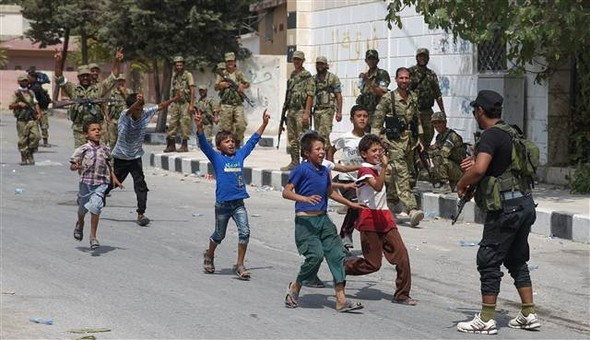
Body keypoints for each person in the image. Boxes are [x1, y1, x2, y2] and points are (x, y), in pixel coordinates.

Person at [456, 90, 540, 334]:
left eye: (474, 110)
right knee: (516, 258)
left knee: (489, 258)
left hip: (506, 209)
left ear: (480, 111)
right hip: (524, 203)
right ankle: (528, 313)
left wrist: (462, 183)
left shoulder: (491, 136)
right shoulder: (511, 132)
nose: (474, 114)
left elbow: (480, 169)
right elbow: (499, 166)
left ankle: (486, 319)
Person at [282, 131, 364, 312]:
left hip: (323, 221)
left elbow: (329, 192)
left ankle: (341, 299)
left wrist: (350, 203)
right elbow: (286, 192)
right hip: (305, 222)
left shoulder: (325, 171)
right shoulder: (301, 170)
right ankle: (295, 288)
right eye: (317, 149)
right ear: (307, 153)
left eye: (322, 149)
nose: (321, 152)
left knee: (337, 256)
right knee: (315, 256)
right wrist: (304, 199)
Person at [197, 109, 270, 280]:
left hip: (238, 203)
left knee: (245, 232)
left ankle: (239, 264)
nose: (230, 144)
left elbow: (252, 142)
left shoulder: (239, 156)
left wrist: (264, 124)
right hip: (223, 205)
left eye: (232, 141)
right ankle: (209, 254)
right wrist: (199, 126)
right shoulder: (216, 158)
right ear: (219, 146)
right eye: (226, 141)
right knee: (219, 235)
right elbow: (203, 144)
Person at [345, 134, 416, 306]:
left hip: (384, 217)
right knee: (372, 264)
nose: (378, 153)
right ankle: (341, 268)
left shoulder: (376, 168)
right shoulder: (364, 170)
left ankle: (402, 294)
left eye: (379, 150)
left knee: (402, 256)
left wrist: (384, 166)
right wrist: (384, 167)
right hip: (369, 219)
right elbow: (376, 186)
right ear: (363, 154)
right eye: (373, 150)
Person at [107, 92, 180, 227]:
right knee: (115, 183)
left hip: (135, 157)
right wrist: (136, 103)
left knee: (140, 185)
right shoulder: (125, 115)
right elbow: (130, 111)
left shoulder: (145, 112)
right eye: (137, 109)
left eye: (141, 109)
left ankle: (141, 214)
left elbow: (161, 106)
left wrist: (174, 98)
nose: (139, 112)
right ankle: (99, 195)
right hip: (121, 157)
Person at [373, 67, 425, 227]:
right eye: (401, 78)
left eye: (406, 78)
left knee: (403, 175)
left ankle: (389, 203)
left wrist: (420, 139)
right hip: (394, 142)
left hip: (410, 142)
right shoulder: (389, 98)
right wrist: (377, 142)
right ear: (396, 79)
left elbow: (417, 119)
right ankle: (411, 209)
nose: (404, 81)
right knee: (402, 175)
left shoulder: (414, 97)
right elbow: (377, 121)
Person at [54, 49, 123, 148]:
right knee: (80, 156)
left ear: (91, 77)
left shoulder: (98, 88)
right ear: (79, 77)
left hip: (96, 129)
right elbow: (59, 78)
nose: (85, 78)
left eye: (87, 75)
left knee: (99, 155)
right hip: (80, 129)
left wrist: (117, 61)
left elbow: (113, 78)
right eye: (82, 76)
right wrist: (58, 62)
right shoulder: (73, 89)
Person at [70, 119, 122, 250]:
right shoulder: (82, 149)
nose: (97, 131)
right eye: (93, 130)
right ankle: (80, 223)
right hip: (86, 184)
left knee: (96, 208)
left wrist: (114, 179)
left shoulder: (105, 149)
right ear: (86, 134)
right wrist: (75, 166)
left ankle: (92, 237)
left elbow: (109, 165)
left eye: (98, 129)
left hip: (101, 184)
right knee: (82, 209)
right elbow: (72, 165)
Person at [327, 105, 368, 249]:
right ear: (352, 119)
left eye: (365, 116)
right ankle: (345, 234)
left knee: (365, 210)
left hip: (363, 180)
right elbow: (331, 149)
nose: (362, 119)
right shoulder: (345, 137)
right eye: (359, 116)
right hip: (346, 178)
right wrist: (330, 166)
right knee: (355, 204)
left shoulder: (368, 139)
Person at [280, 51, 315, 171]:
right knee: (292, 138)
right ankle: (294, 162)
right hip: (291, 111)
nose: (296, 62)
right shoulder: (293, 75)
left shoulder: (307, 76)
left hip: (301, 111)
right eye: (295, 59)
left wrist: (306, 112)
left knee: (303, 138)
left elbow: (310, 95)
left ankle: (306, 162)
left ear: (303, 61)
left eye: (298, 60)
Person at [409, 48, 445, 147]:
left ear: (428, 58)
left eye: (424, 56)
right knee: (414, 137)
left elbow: (437, 94)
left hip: (427, 111)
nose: (422, 58)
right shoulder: (410, 72)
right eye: (420, 56)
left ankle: (425, 158)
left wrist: (443, 111)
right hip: (414, 111)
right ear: (417, 58)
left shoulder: (431, 74)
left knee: (429, 135)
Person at [214, 52, 250, 146]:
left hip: (238, 104)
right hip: (226, 104)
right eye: (228, 61)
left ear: (234, 62)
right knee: (226, 128)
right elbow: (216, 87)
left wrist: (243, 86)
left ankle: (237, 142)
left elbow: (247, 83)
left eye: (232, 61)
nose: (230, 63)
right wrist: (221, 85)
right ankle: (226, 146)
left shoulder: (239, 73)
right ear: (226, 62)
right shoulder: (222, 74)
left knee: (241, 125)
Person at [428, 111, 465, 193]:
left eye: (439, 122)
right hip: (452, 167)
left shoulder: (451, 136)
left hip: (461, 170)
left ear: (445, 122)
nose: (437, 125)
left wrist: (433, 151)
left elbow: (443, 153)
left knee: (439, 159)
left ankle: (445, 184)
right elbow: (432, 151)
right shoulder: (439, 137)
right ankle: (447, 182)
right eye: (434, 123)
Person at [164, 56, 195, 153]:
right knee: (172, 123)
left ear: (184, 65)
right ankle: (171, 145)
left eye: (181, 65)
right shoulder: (175, 76)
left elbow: (192, 90)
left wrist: (191, 104)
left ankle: (184, 145)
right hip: (176, 103)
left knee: (184, 123)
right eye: (177, 65)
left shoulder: (188, 75)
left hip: (185, 103)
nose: (179, 67)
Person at [9, 75, 41, 165]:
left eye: (25, 81)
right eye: (22, 81)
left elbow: (36, 103)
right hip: (21, 119)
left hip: (31, 118)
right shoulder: (16, 93)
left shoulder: (31, 92)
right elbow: (10, 106)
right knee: (23, 139)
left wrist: (39, 113)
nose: (24, 82)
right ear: (19, 82)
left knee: (36, 136)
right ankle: (24, 156)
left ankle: (30, 152)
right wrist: (18, 104)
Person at [356, 49, 390, 131]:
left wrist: (368, 81)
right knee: (364, 137)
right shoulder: (365, 76)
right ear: (366, 61)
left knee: (376, 135)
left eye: (373, 59)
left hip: (377, 112)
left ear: (377, 60)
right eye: (369, 59)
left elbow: (382, 93)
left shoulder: (382, 74)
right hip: (365, 112)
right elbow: (362, 91)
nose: (371, 61)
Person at [313, 56, 342, 145]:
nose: (319, 66)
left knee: (323, 135)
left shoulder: (333, 78)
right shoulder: (314, 79)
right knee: (318, 135)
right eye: (318, 64)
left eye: (322, 64)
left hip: (328, 110)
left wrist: (339, 112)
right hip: (317, 110)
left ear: (326, 65)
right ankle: (328, 156)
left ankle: (324, 156)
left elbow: (338, 96)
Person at [105, 74, 131, 149]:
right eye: (119, 81)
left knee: (124, 142)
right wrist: (108, 118)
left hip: (125, 122)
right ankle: (113, 159)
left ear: (125, 82)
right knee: (112, 142)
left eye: (122, 81)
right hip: (114, 121)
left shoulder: (129, 92)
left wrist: (123, 92)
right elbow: (108, 106)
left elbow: (131, 103)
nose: (120, 83)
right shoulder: (113, 93)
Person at [27, 70, 52, 147]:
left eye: (29, 77)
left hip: (41, 109)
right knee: (37, 126)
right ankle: (39, 141)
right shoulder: (33, 86)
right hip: (37, 109)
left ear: (34, 78)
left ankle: (44, 141)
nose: (28, 78)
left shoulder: (35, 87)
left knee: (43, 126)